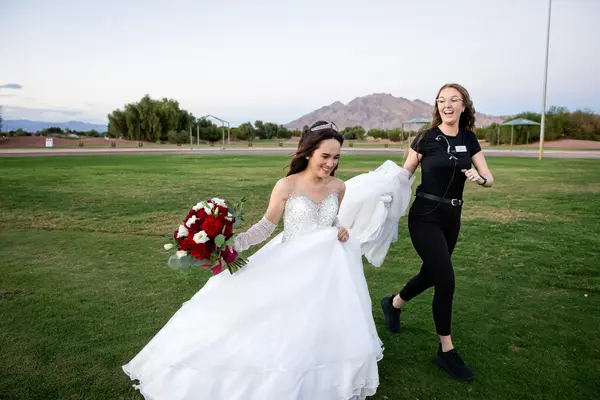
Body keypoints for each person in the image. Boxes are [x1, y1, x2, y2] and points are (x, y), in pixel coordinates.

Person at [122, 121, 414, 400]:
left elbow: (330, 219)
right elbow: (265, 226)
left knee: (320, 324)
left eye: (336, 157)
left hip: (327, 266)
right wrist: (231, 244)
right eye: (325, 156)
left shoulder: (339, 187)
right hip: (290, 263)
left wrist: (339, 228)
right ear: (308, 153)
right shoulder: (286, 185)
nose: (330, 163)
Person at [380, 83, 494, 381]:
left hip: (452, 217)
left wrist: (480, 178)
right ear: (437, 106)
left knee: (431, 274)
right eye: (442, 100)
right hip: (424, 216)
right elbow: (404, 175)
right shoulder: (426, 137)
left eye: (454, 99)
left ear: (464, 106)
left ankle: (394, 304)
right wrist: (381, 194)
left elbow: (489, 177)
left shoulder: (469, 138)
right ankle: (446, 350)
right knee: (446, 280)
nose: (447, 104)